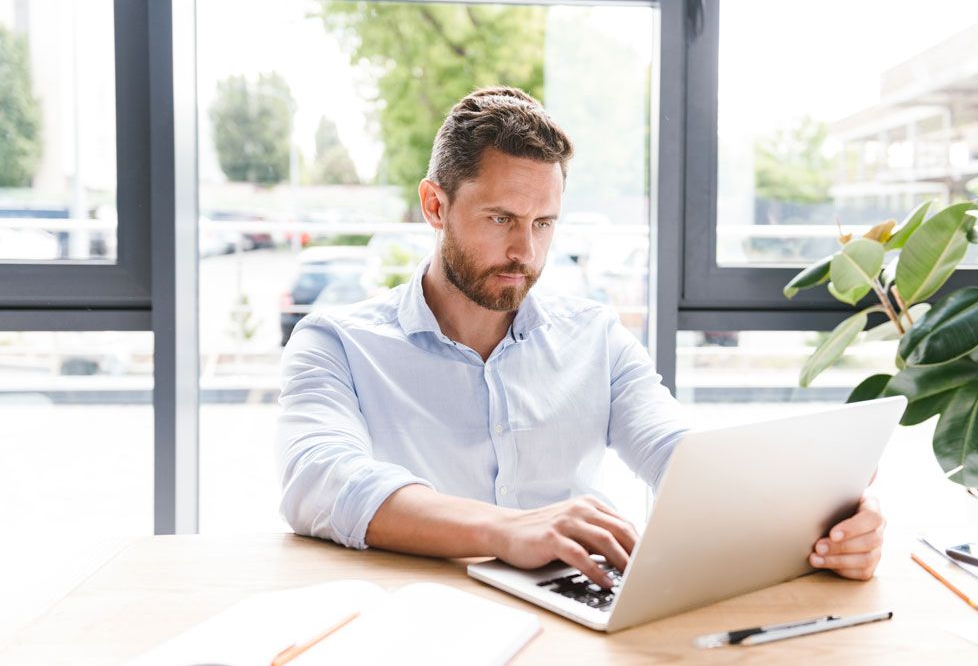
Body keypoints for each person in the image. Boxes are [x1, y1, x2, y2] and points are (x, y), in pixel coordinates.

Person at [275, 86, 885, 588]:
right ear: (435, 206)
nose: (525, 252)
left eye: (544, 223)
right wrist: (504, 529)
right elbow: (319, 479)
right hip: (417, 621)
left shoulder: (595, 337)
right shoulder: (335, 343)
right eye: (500, 220)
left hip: (573, 617)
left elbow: (682, 457)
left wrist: (827, 520)